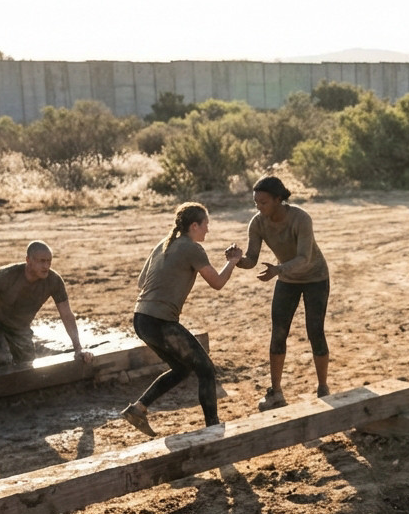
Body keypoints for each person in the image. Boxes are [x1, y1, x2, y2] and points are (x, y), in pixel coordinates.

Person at [121, 202, 241, 436]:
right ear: (194, 226)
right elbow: (217, 282)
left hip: (141, 319)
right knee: (205, 369)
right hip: (160, 322)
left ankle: (138, 408)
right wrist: (233, 261)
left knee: (182, 369)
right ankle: (213, 428)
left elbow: (140, 283)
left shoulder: (163, 245)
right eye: (206, 225)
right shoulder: (192, 248)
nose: (208, 230)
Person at [238, 176, 331, 411]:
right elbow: (251, 259)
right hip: (286, 279)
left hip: (315, 278)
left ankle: (323, 388)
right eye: (256, 203)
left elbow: (304, 258)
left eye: (264, 202)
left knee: (315, 331)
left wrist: (278, 269)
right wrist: (236, 260)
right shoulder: (257, 223)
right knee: (278, 332)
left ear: (279, 199)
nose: (259, 207)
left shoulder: (301, 218)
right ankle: (276, 392)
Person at [0, 241, 92, 368]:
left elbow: (67, 315)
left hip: (20, 329)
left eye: (49, 261)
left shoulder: (54, 281)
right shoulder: (6, 275)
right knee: (1, 361)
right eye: (42, 261)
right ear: (28, 261)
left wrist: (78, 348)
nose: (46, 266)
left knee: (27, 366)